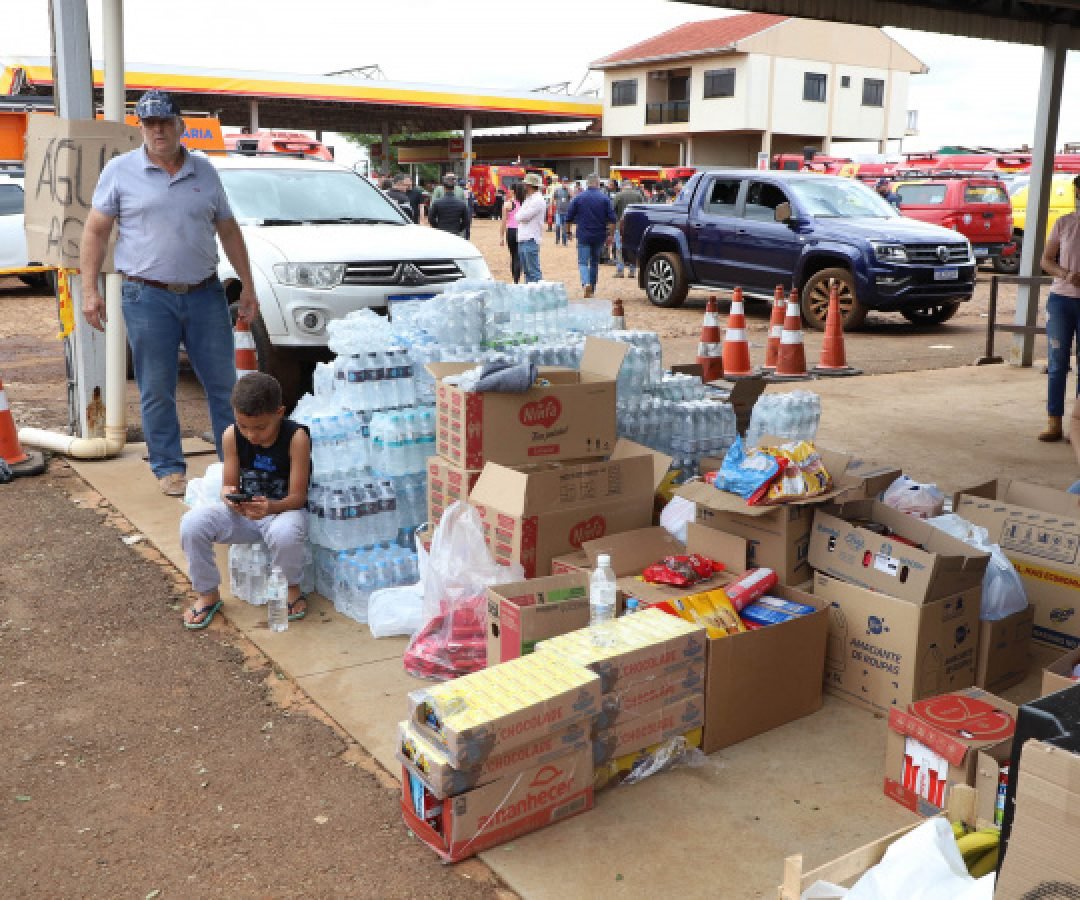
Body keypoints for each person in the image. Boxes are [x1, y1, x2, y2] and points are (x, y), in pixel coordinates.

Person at [80, 89, 257, 497]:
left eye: (164, 121)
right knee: (157, 387)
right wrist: (90, 290)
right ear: (141, 127)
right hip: (147, 296)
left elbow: (228, 230)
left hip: (205, 293)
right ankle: (168, 467)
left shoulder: (206, 172)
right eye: (149, 123)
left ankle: (233, 464)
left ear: (180, 123)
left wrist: (247, 284)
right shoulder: (120, 171)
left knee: (222, 384)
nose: (157, 130)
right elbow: (95, 230)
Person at [179, 373, 310, 629]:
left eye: (261, 427)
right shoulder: (231, 435)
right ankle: (207, 592)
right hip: (245, 514)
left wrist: (271, 507)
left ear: (280, 413)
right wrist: (230, 498)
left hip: (281, 511)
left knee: (286, 532)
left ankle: (291, 588)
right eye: (244, 426)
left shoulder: (296, 438)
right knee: (192, 523)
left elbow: (298, 497)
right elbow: (229, 484)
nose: (251, 435)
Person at [1040, 174, 1080, 442]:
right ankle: (1054, 421)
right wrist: (1066, 274)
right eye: (1078, 192)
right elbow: (1046, 260)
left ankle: (1078, 424)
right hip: (1061, 299)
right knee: (1057, 363)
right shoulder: (1064, 223)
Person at [565, 173, 616, 298]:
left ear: (587, 183)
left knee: (583, 262)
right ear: (598, 183)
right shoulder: (605, 199)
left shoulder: (578, 198)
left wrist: (568, 232)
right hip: (599, 235)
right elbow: (612, 220)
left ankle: (586, 283)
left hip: (583, 234)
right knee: (594, 262)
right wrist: (610, 235)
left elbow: (568, 218)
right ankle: (592, 287)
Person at [516, 172, 547, 283]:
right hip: (525, 238)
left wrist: (520, 216)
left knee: (533, 271)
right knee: (528, 272)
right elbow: (519, 215)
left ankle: (538, 295)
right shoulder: (530, 199)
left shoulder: (537, 200)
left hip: (530, 238)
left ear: (529, 186)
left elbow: (521, 216)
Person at [613, 179, 645, 279]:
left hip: (620, 226)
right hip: (635, 226)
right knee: (633, 248)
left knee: (619, 248)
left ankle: (620, 270)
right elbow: (643, 209)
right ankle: (632, 270)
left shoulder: (618, 195)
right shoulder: (638, 195)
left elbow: (613, 210)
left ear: (623, 186)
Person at [501, 182, 524, 283]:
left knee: (513, 255)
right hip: (521, 231)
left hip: (511, 231)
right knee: (518, 256)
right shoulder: (524, 203)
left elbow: (503, 222)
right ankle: (516, 279)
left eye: (510, 189)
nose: (508, 191)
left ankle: (515, 279)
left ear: (513, 191)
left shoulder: (507, 204)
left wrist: (501, 237)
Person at [552, 177, 572, 246]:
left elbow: (572, 196)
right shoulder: (557, 190)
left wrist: (568, 189)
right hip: (558, 211)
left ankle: (564, 241)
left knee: (564, 227)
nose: (565, 183)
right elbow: (554, 197)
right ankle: (557, 239)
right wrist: (554, 204)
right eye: (564, 182)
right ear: (561, 182)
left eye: (566, 182)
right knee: (557, 226)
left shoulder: (569, 190)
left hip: (566, 212)